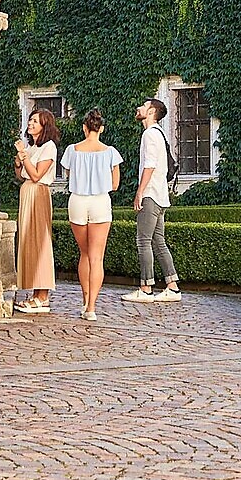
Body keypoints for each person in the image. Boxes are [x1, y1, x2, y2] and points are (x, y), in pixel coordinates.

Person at [62, 108, 122, 322]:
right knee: (97, 258)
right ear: (101, 129)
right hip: (100, 201)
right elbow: (115, 185)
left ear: (84, 128)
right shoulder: (110, 152)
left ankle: (85, 298)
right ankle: (91, 307)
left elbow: (68, 174)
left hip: (77, 200)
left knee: (84, 254)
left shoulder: (72, 150)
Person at [124, 97, 182, 302]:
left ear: (151, 112)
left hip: (150, 195)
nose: (138, 107)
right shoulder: (159, 134)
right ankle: (172, 287)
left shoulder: (149, 134)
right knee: (158, 241)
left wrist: (140, 192)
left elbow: (149, 165)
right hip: (160, 196)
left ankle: (146, 288)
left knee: (143, 241)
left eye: (144, 106)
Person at [13, 107, 61, 313]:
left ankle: (43, 296)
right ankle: (35, 292)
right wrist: (19, 160)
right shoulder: (33, 147)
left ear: (45, 125)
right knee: (28, 242)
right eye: (30, 120)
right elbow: (21, 175)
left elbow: (36, 175)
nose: (30, 123)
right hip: (27, 194)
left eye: (35, 121)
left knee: (39, 241)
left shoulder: (48, 147)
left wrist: (23, 155)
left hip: (38, 194)